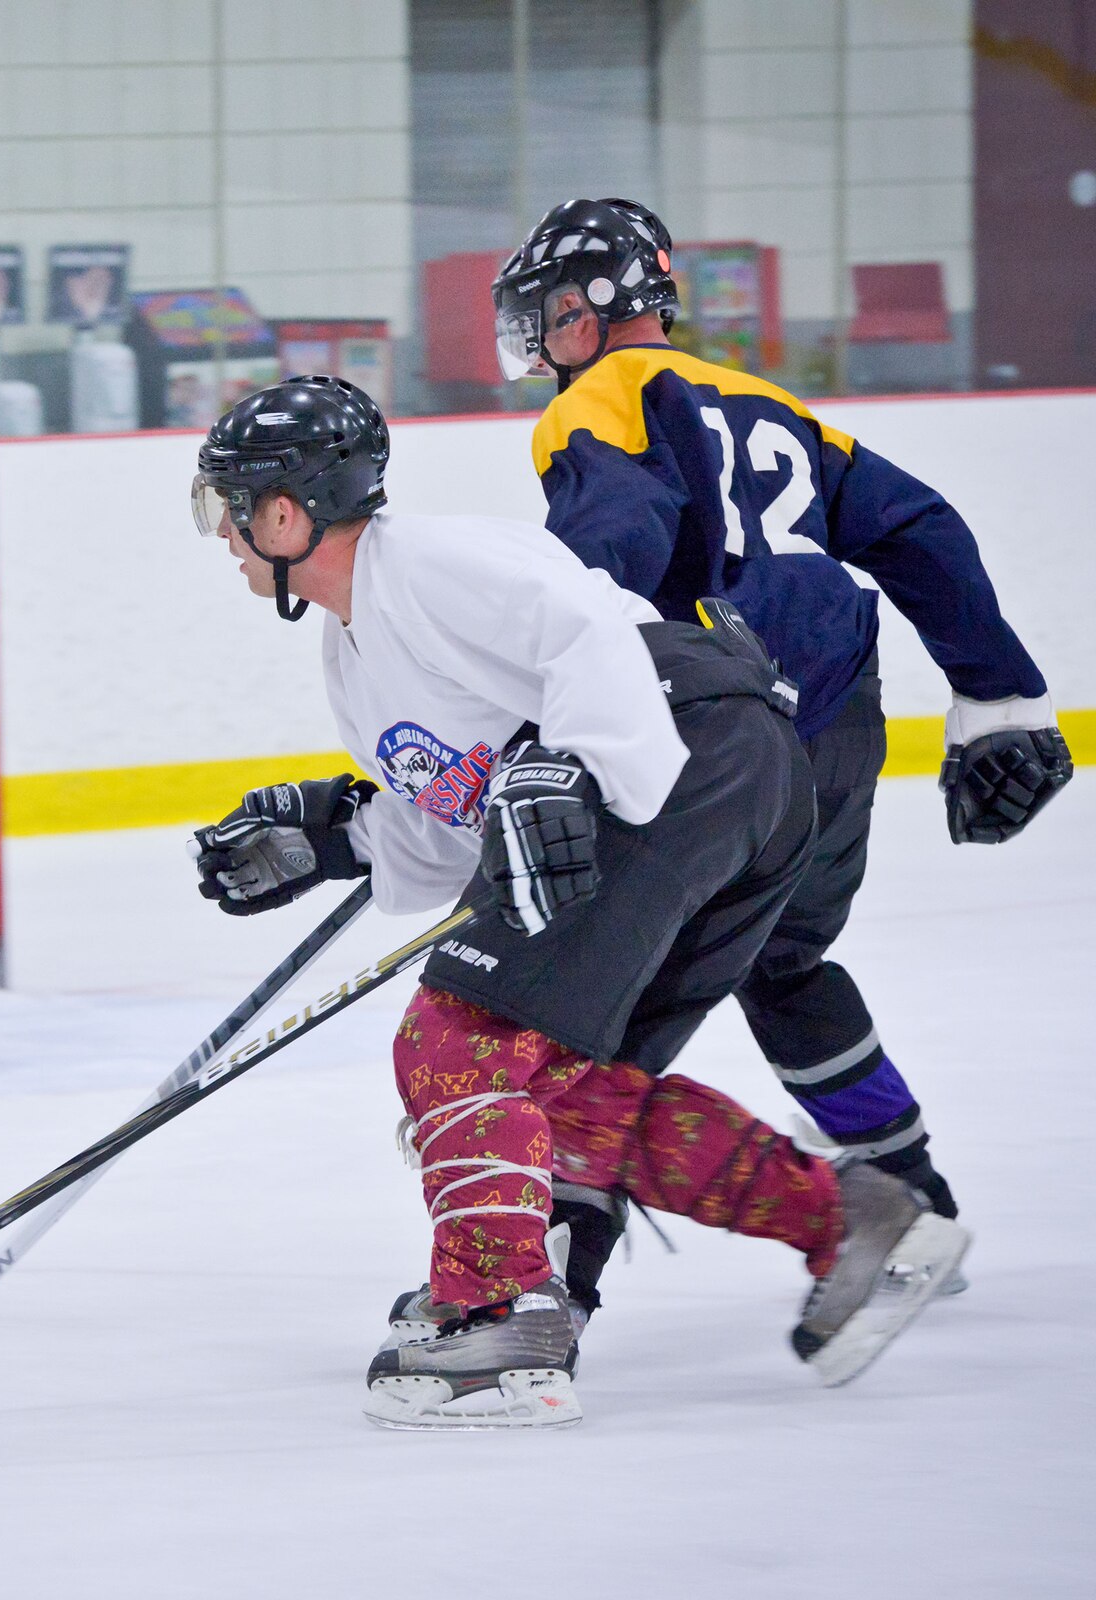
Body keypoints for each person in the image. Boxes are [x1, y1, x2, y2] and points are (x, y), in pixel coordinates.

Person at [188, 376, 969, 1429]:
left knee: (452, 1042)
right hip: (712, 786)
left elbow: (593, 638)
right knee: (571, 1102)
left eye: (225, 509)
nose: (223, 537)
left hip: (685, 758)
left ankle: (500, 1316)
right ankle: (855, 1221)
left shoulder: (424, 563)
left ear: (284, 513)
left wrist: (572, 767)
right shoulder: (353, 646)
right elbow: (450, 830)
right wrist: (332, 840)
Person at [490, 198, 1071, 1316]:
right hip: (843, 719)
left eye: (549, 314)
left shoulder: (599, 401)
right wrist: (996, 691)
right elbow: (920, 528)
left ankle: (551, 1274)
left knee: (604, 1002)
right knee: (786, 966)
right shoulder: (770, 402)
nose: (540, 340)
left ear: (593, 306)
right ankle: (912, 1201)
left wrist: (547, 726)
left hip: (721, 742)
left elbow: (602, 557)